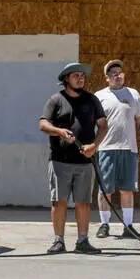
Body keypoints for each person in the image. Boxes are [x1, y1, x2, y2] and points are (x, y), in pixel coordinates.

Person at [39, 62, 108, 255]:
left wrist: (94, 146)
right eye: (76, 75)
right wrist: (59, 131)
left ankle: (83, 241)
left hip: (85, 163)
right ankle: (59, 241)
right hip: (60, 161)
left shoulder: (91, 100)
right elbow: (43, 124)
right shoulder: (56, 100)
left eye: (82, 75)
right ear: (66, 79)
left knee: (83, 202)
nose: (81, 78)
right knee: (59, 202)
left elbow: (103, 126)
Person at [94, 59, 140, 239]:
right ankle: (104, 224)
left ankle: (128, 226)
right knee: (105, 190)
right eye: (113, 74)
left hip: (129, 149)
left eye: (120, 72)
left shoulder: (133, 94)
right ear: (106, 78)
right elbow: (93, 123)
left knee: (127, 189)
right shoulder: (99, 96)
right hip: (106, 149)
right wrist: (93, 145)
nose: (118, 76)